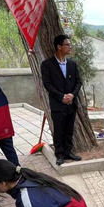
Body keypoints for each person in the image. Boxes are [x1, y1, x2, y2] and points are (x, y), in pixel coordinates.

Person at [41, 35, 83, 166]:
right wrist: (61, 96)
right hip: (58, 104)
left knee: (69, 130)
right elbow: (47, 84)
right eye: (67, 44)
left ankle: (68, 152)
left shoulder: (72, 64)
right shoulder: (47, 64)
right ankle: (59, 154)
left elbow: (78, 81)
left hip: (71, 103)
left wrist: (72, 95)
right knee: (59, 130)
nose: (70, 47)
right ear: (59, 47)